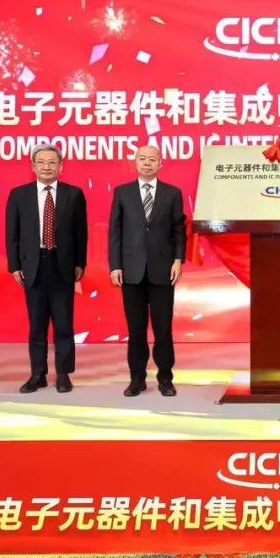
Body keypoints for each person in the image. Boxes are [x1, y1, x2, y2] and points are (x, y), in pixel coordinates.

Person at [6, 144, 88, 394]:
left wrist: (80, 263)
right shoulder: (19, 195)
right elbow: (12, 234)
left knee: (63, 323)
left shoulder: (74, 194)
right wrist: (14, 265)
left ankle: (63, 373)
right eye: (41, 162)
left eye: (52, 162)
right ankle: (37, 374)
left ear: (61, 167)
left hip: (62, 265)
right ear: (33, 166)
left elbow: (80, 233)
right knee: (37, 324)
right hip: (33, 265)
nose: (46, 167)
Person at [108, 145, 187, 397]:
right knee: (136, 330)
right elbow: (115, 231)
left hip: (163, 269)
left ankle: (165, 378)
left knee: (163, 329)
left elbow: (179, 230)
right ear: (135, 162)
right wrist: (115, 265)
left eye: (152, 159)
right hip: (131, 271)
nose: (147, 163)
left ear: (160, 164)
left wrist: (178, 260)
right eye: (142, 158)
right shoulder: (122, 192)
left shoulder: (172, 193)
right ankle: (137, 379)